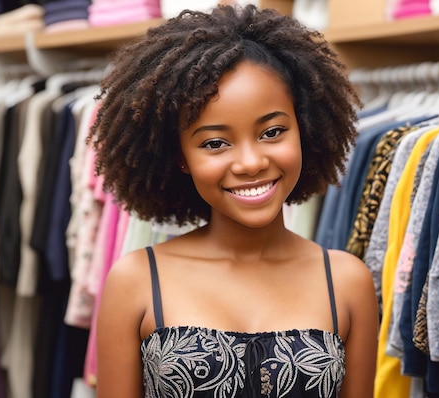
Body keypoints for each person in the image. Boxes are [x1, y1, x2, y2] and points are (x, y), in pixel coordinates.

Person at [91, 4, 378, 397]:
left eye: (272, 132)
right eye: (214, 143)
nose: (250, 163)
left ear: (306, 129)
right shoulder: (136, 280)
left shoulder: (346, 281)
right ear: (180, 157)